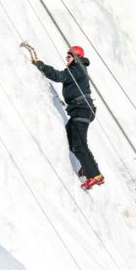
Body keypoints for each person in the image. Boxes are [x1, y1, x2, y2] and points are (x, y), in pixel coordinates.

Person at [30, 46, 104, 190]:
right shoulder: (77, 69)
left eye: (69, 56)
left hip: (81, 109)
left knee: (79, 144)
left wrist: (41, 65)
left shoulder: (77, 68)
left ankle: (95, 175)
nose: (67, 58)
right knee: (72, 141)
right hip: (80, 110)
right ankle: (88, 167)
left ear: (76, 57)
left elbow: (59, 76)